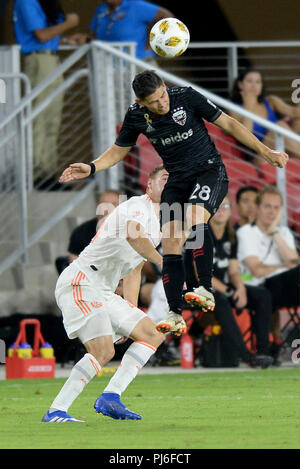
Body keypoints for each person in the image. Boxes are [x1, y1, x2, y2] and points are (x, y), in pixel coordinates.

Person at [59, 70, 288, 338]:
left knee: (194, 217)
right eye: (154, 101)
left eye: (162, 95)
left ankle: (203, 288)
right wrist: (91, 167)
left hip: (209, 171)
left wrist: (266, 152)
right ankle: (174, 312)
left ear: (165, 87)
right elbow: (118, 150)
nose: (162, 103)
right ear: (142, 102)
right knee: (170, 242)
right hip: (177, 180)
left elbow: (229, 124)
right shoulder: (136, 115)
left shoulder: (187, 97)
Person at [42, 165, 171, 423]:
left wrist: (130, 312)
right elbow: (135, 238)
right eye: (165, 178)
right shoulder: (137, 205)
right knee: (102, 350)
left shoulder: (157, 227)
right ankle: (56, 410)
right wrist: (163, 261)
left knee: (152, 334)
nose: (171, 184)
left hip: (103, 290)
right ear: (149, 185)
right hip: (82, 281)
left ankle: (111, 396)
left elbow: (134, 270)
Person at [184, 195, 273, 368]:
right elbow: (199, 273)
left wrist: (240, 289)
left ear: (232, 210)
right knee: (221, 301)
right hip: (197, 286)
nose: (221, 210)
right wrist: (228, 291)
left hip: (222, 287)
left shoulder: (231, 236)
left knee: (263, 295)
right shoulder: (198, 233)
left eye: (225, 206)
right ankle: (247, 357)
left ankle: (263, 352)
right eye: (217, 205)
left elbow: (233, 270)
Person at [12, 0, 80, 187]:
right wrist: (69, 23)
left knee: (52, 119)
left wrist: (65, 39)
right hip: (38, 62)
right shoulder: (27, 2)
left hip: (51, 59)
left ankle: (47, 174)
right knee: (39, 119)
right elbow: (41, 35)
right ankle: (35, 174)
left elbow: (48, 35)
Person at [237, 185, 300, 348]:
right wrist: (284, 265)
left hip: (287, 288)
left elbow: (294, 262)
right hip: (260, 287)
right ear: (257, 208)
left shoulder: (283, 232)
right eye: (267, 206)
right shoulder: (246, 232)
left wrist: (274, 232)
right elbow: (256, 270)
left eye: (276, 208)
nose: (272, 212)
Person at [229, 68, 300, 163]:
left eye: (258, 82)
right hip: (259, 156)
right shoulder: (235, 110)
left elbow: (294, 112)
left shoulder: (270, 101)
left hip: (280, 151)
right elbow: (244, 138)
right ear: (240, 84)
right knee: (279, 127)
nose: (254, 85)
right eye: (250, 81)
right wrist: (248, 107)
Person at [68, 0, 173, 63]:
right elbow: (93, 36)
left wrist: (153, 44)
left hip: (138, 63)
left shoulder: (135, 5)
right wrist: (82, 38)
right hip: (108, 66)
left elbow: (166, 17)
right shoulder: (101, 9)